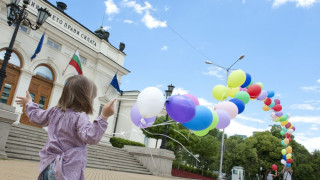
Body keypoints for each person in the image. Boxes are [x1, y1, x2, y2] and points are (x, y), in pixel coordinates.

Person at [16, 75, 116, 180]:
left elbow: (37, 116)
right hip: (65, 170)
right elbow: (91, 137)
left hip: (48, 164)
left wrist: (29, 103)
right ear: (86, 98)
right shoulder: (80, 116)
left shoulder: (55, 111)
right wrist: (104, 116)